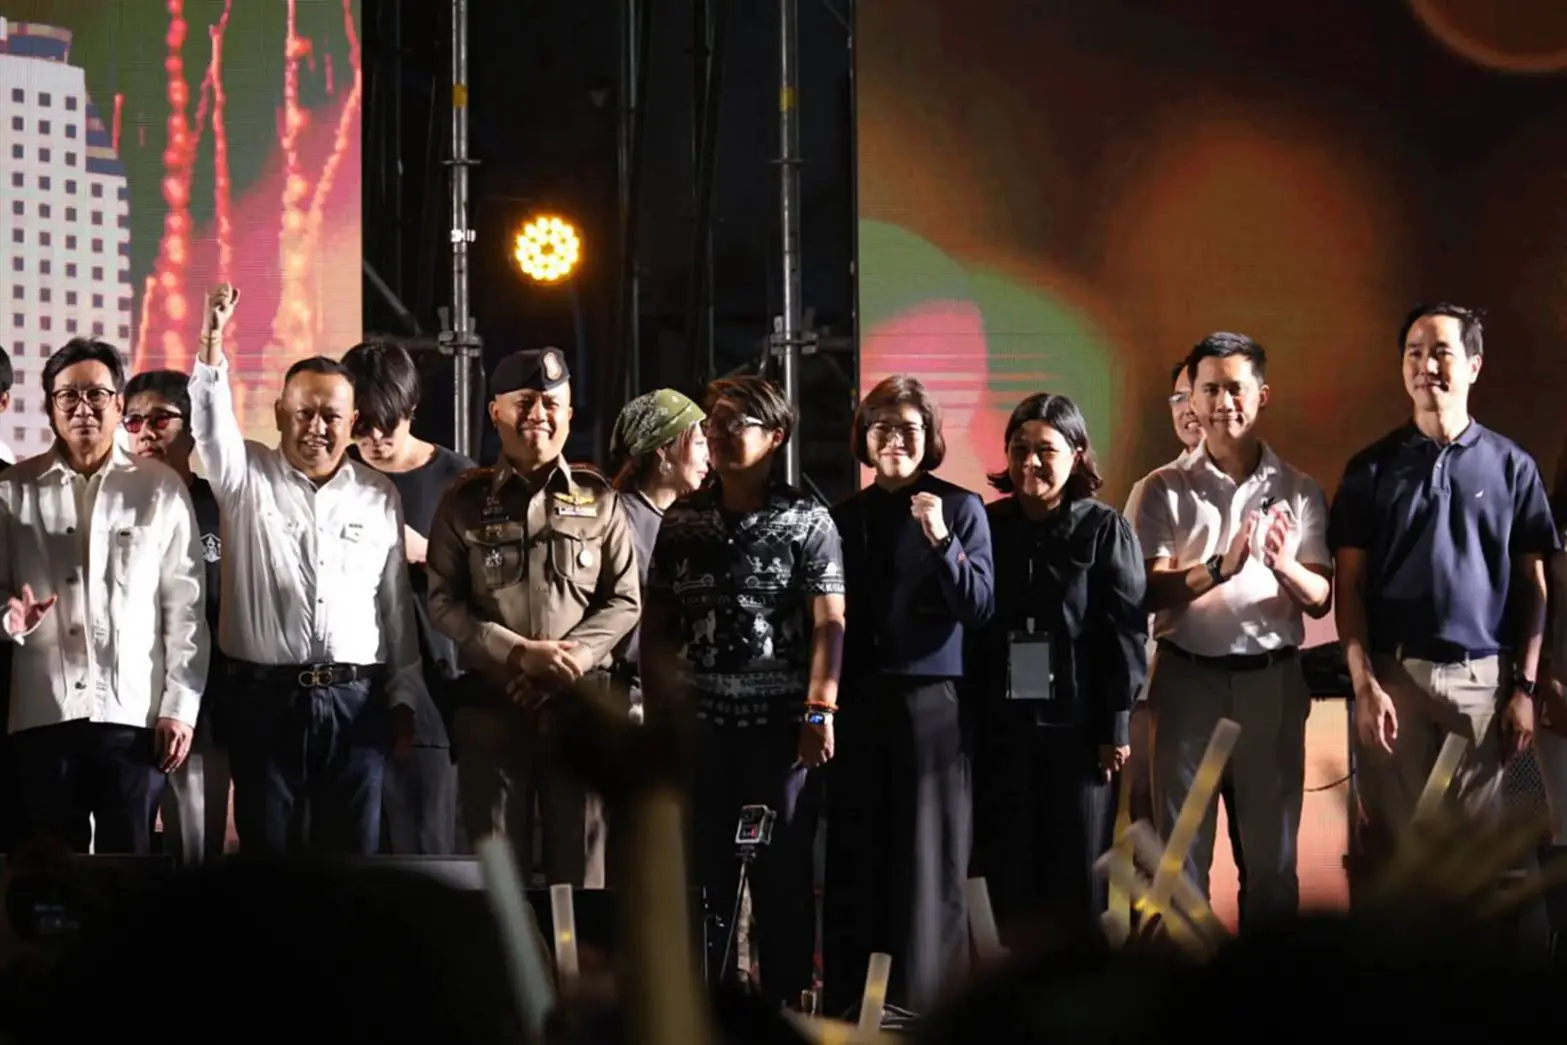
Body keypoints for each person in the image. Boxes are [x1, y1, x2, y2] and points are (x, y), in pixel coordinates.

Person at [188, 285, 424, 856]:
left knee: (352, 866)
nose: (317, 427)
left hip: (357, 701)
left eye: (331, 416)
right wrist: (212, 342)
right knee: (269, 863)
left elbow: (393, 606)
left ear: (352, 421)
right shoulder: (243, 475)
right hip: (263, 702)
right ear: (279, 414)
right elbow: (210, 427)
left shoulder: (378, 494)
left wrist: (404, 695)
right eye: (304, 413)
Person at [642, 375, 845, 1004]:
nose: (721, 435)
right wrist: (660, 718)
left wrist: (820, 710)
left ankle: (785, 1010)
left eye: (738, 424)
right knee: (704, 880)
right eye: (715, 423)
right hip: (700, 731)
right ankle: (707, 1011)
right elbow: (657, 626)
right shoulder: (682, 520)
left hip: (780, 735)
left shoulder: (807, 518)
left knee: (783, 880)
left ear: (775, 436)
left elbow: (829, 622)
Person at [1330, 304, 1556, 864]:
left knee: (1472, 864)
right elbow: (1348, 587)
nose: (1425, 366)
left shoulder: (1512, 467)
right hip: (1394, 682)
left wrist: (1525, 690)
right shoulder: (1370, 469)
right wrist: (1364, 685)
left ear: (1474, 365)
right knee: (1397, 858)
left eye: (1440, 353)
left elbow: (1534, 586)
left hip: (1483, 683)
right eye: (1414, 353)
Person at [1129, 333, 1329, 923]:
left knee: (1273, 864)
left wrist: (1282, 563)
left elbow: (1321, 599)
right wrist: (1220, 568)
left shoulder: (1299, 487)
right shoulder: (1160, 488)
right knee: (1179, 863)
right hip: (1187, 681)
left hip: (1273, 681)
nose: (1223, 403)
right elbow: (1146, 590)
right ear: (1191, 397)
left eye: (1236, 389)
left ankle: (1268, 981)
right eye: (1209, 389)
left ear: (1261, 395)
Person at [426, 347, 639, 886]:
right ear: (495, 411)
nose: (537, 414)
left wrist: (572, 659)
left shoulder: (600, 498)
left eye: (550, 403)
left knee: (582, 877)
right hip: (494, 706)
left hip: (581, 707)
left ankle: (569, 951)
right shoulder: (463, 500)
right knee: (500, 879)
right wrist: (519, 653)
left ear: (569, 414)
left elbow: (625, 600)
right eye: (523, 402)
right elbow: (443, 601)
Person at [822, 374, 993, 1015]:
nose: (895, 439)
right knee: (858, 853)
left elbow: (979, 607)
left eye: (909, 429)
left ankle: (929, 1006)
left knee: (927, 860)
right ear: (864, 439)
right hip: (858, 702)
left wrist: (942, 539)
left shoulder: (961, 507)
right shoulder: (842, 517)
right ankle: (853, 1008)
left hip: (931, 704)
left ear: (931, 438)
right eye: (882, 428)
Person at [0, 339, 209, 854]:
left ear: (118, 405)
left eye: (96, 394)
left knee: (130, 868)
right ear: (49, 407)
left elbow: (185, 608)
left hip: (134, 715)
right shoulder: (12, 489)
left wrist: (179, 708)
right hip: (43, 712)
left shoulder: (158, 487)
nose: (83, 408)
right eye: (68, 396)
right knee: (54, 871)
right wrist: (8, 617)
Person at [970, 392, 1146, 932]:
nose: (1030, 463)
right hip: (1000, 730)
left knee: (1078, 880)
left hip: (1080, 732)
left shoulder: (1104, 528)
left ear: (1076, 454)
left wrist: (1116, 725)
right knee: (1006, 877)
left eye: (1045, 450)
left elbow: (1125, 633)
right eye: (1019, 449)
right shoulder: (986, 525)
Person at [1124, 360, 1249, 906]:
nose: (1190, 409)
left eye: (1196, 395)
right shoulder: (1154, 489)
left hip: (1249, 688)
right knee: (1164, 855)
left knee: (1257, 851)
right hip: (1166, 689)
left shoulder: (1268, 484)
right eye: (1179, 398)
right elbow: (1135, 598)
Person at [342, 341, 471, 856]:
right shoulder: (337, 476)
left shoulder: (459, 481)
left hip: (434, 693)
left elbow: (490, 589)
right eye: (361, 425)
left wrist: (428, 554)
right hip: (350, 692)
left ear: (411, 408)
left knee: (426, 852)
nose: (373, 439)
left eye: (385, 425)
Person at [123, 369, 231, 863]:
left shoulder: (222, 505)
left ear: (192, 428)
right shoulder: (113, 504)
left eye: (160, 419)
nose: (146, 432)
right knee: (123, 847)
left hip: (206, 701)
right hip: (127, 701)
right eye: (134, 421)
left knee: (197, 846)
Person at [607, 388, 711, 711]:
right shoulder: (616, 519)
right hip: (629, 699)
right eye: (698, 443)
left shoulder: (692, 520)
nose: (708, 455)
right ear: (663, 451)